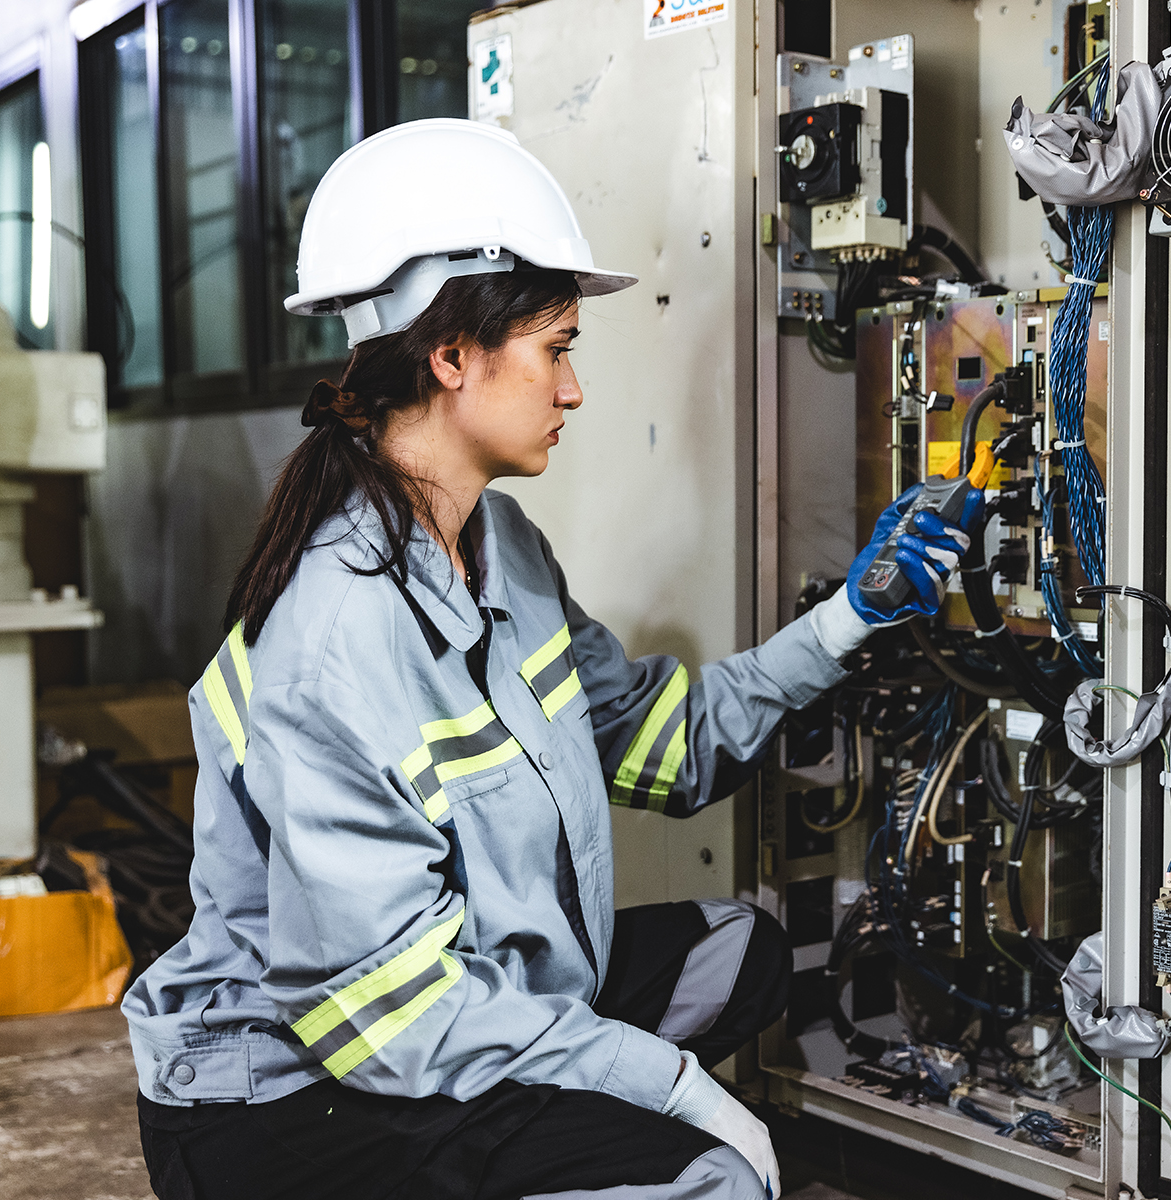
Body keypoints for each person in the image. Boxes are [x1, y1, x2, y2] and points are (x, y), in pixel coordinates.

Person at [123, 119, 981, 1200]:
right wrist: (667, 1085)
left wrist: (849, 619)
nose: (573, 390)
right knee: (711, 1178)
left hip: (448, 993)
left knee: (741, 952)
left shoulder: (505, 552)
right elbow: (387, 1012)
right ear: (452, 357)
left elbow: (660, 748)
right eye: (556, 349)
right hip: (292, 1096)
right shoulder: (334, 636)